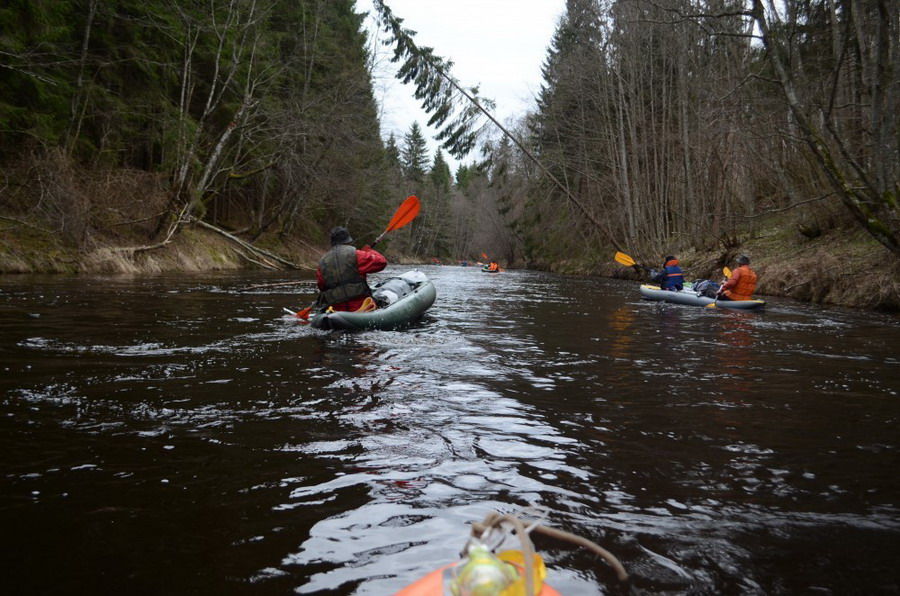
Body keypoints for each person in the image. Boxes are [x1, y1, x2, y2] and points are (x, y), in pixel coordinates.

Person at [315, 226, 386, 312]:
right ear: (348, 240)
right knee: (383, 302)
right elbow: (381, 262)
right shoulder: (356, 255)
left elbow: (321, 286)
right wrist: (369, 251)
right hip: (360, 307)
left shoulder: (322, 262)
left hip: (336, 310)